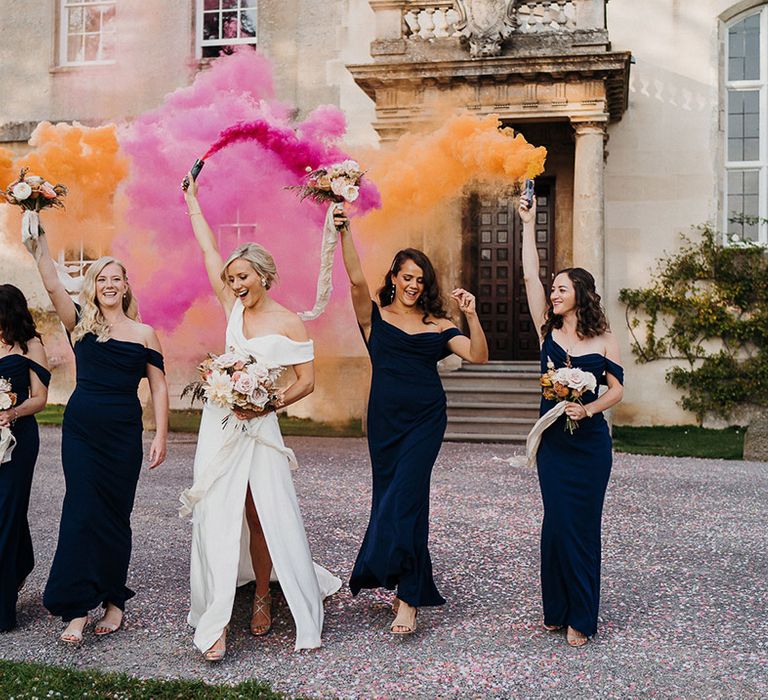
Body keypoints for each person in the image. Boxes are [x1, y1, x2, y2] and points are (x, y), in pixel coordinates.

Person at [181, 174, 341, 662]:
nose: (235, 285)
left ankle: (268, 593)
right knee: (217, 509)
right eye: (231, 279)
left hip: (261, 424)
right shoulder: (231, 308)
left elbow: (306, 381)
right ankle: (216, 618)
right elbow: (209, 251)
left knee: (261, 513)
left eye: (243, 277)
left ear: (264, 276)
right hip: (221, 423)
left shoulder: (289, 320)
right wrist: (191, 201)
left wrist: (266, 403)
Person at [337, 207, 489, 635]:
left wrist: (472, 315)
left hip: (425, 420)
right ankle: (400, 580)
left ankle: (408, 597)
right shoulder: (374, 319)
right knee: (389, 500)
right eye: (406, 277)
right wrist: (344, 228)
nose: (412, 285)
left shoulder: (439, 324)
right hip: (385, 422)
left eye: (420, 280)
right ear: (394, 278)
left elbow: (478, 355)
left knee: (408, 498)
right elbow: (353, 279)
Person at [26, 233, 169, 645]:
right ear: (94, 287)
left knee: (114, 517)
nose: (108, 285)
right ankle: (76, 607)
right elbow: (53, 284)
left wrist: (159, 433)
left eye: (115, 278)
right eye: (101, 278)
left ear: (126, 286)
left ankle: (113, 601)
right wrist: (42, 246)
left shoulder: (145, 334)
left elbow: (159, 387)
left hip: (123, 434)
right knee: (82, 511)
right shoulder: (81, 324)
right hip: (82, 432)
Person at [519, 194, 624, 647]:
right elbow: (529, 275)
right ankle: (556, 608)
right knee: (556, 522)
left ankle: (581, 616)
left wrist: (590, 407)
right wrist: (528, 223)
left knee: (582, 526)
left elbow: (618, 390)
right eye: (554, 288)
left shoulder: (604, 338)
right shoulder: (548, 330)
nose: (555, 292)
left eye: (562, 287)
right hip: (555, 444)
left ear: (579, 292)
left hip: (591, 446)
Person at [0, 285, 50, 632]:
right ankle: (22, 563)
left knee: (7, 510)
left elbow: (41, 397)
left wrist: (11, 412)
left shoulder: (31, 345)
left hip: (18, 438)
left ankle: (2, 609)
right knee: (7, 511)